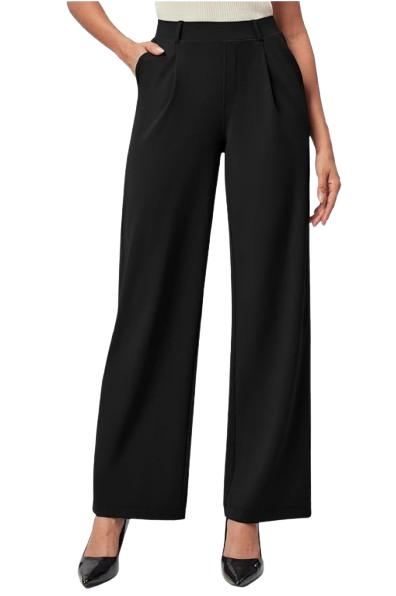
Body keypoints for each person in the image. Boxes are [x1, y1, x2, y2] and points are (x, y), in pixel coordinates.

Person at [67, 1, 341, 589]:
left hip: (267, 70)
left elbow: (293, 25)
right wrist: (129, 52)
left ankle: (248, 509)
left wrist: (322, 138)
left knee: (272, 294)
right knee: (149, 293)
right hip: (175, 64)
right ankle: (115, 504)